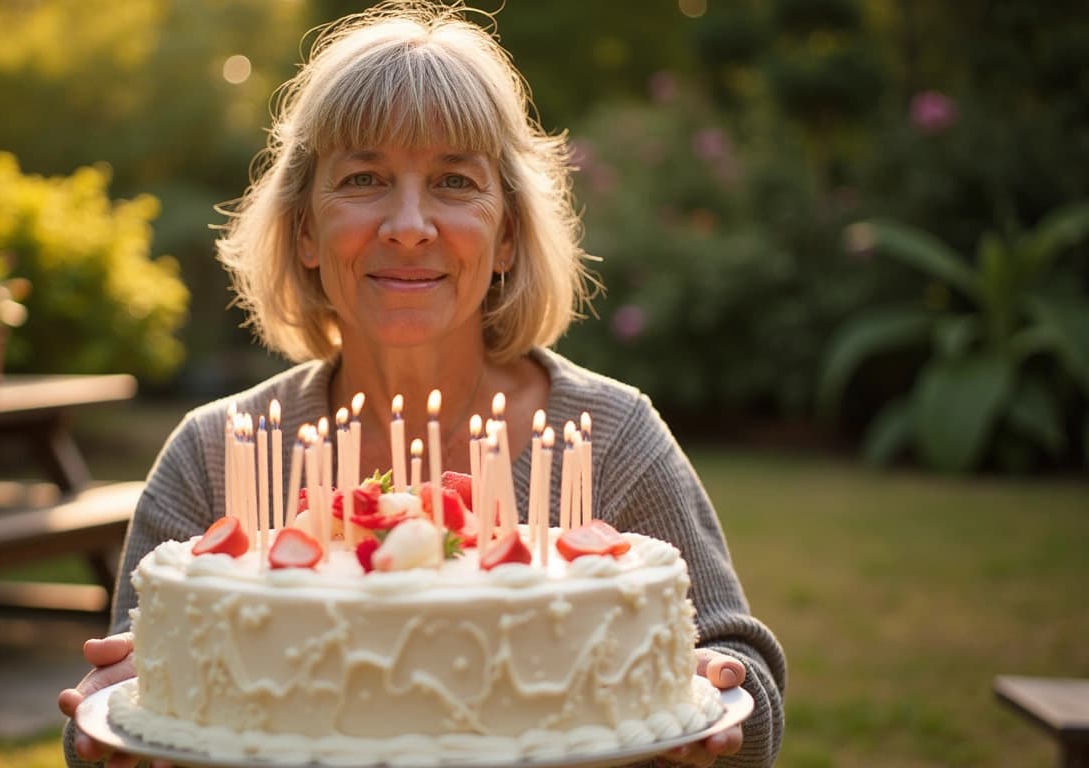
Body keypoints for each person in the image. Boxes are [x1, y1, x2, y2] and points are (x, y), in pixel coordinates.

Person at [57, 2, 787, 766]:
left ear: (506, 233)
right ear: (305, 230)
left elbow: (749, 692)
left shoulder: (611, 439)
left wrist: (712, 690)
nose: (409, 225)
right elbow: (122, 706)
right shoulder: (216, 456)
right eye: (364, 178)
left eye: (453, 182)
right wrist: (107, 729)